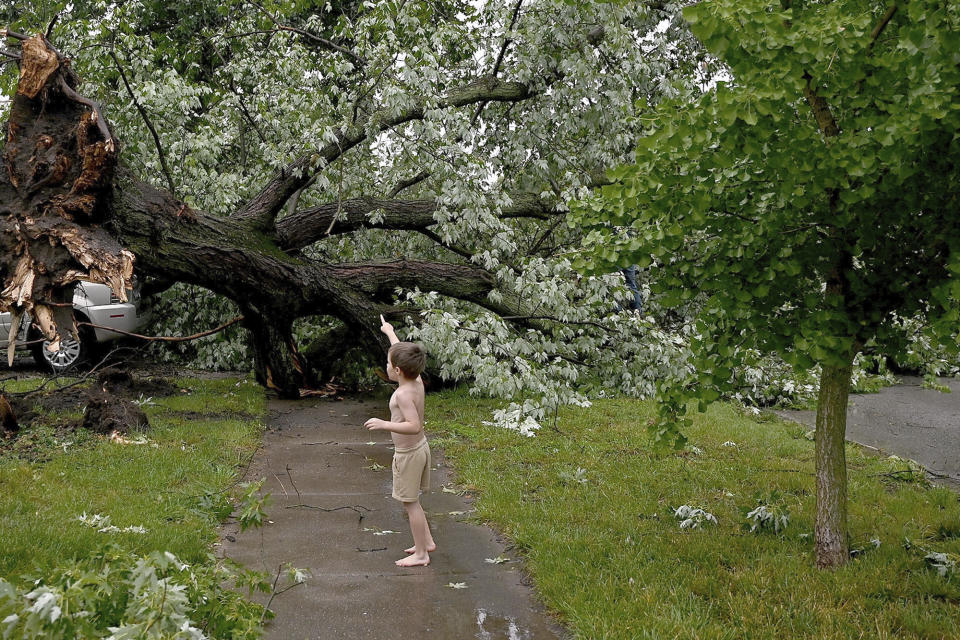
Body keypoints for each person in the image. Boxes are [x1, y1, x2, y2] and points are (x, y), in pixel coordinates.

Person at [364, 314, 436, 567]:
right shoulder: (415, 379)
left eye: (388, 363)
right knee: (413, 500)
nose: (385, 365)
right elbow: (401, 351)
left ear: (397, 370)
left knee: (410, 503)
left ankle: (421, 554)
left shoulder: (404, 394)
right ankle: (425, 542)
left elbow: (413, 425)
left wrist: (385, 424)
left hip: (409, 454)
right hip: (420, 449)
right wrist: (389, 332)